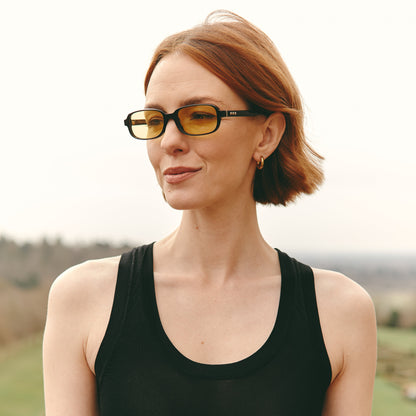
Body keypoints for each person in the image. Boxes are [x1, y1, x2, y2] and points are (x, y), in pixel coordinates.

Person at [43, 10, 377, 416]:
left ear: (267, 135)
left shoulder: (340, 313)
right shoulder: (83, 299)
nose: (169, 141)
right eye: (155, 120)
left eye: (199, 116)